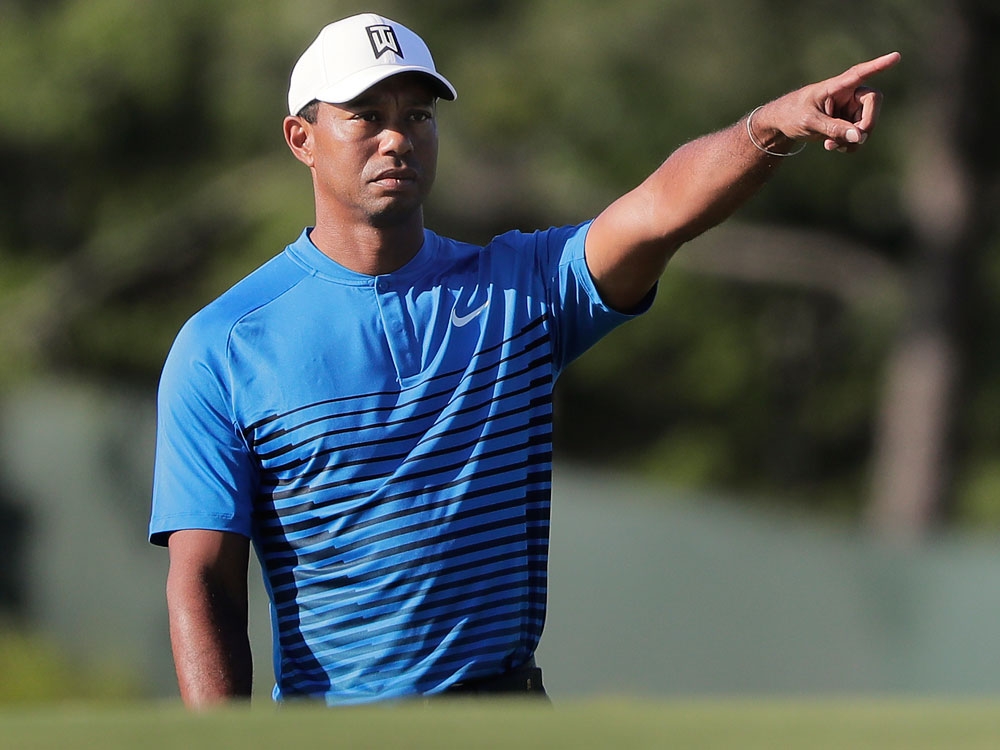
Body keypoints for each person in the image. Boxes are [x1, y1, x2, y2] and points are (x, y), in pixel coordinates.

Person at [149, 11, 899, 708]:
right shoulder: (224, 344)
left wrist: (766, 129)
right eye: (366, 118)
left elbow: (658, 211)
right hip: (338, 724)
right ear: (301, 138)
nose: (396, 139)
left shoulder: (518, 290)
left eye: (417, 116)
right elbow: (206, 582)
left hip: (505, 713)